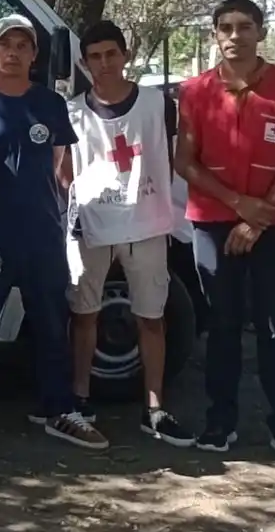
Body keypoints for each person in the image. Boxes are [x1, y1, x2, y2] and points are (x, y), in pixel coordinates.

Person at [0, 15, 107, 454]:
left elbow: (63, 170)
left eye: (23, 45)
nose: (13, 52)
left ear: (35, 55)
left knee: (53, 327)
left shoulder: (50, 105)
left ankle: (60, 410)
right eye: (5, 44)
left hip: (42, 236)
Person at [175, 0, 275, 465]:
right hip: (214, 226)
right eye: (226, 28)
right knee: (223, 325)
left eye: (245, 27)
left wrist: (260, 217)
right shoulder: (194, 91)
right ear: (215, 34)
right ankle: (221, 422)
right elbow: (185, 162)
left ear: (260, 33)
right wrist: (239, 207)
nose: (235, 35)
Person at [62, 22, 194, 447]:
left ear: (126, 55)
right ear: (84, 62)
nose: (104, 63)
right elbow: (63, 170)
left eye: (111, 54)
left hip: (147, 224)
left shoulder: (158, 104)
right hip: (93, 227)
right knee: (84, 316)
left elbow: (175, 159)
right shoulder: (72, 111)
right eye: (94, 56)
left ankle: (154, 408)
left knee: (151, 319)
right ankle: (80, 399)